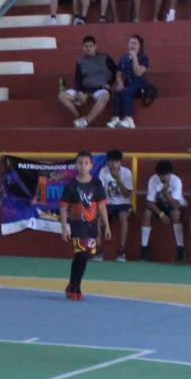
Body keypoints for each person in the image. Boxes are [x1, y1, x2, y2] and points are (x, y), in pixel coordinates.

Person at [59, 150, 109, 299]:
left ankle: (72, 284)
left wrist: (106, 225)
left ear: (91, 166)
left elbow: (101, 206)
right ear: (75, 165)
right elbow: (63, 208)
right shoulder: (71, 185)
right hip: (77, 225)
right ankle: (76, 286)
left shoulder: (96, 183)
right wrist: (64, 228)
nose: (83, 166)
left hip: (91, 225)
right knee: (80, 253)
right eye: (80, 163)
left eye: (86, 163)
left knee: (85, 255)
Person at [59, 35, 118, 128]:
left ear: (95, 47)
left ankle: (87, 120)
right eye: (86, 46)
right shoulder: (80, 61)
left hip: (100, 89)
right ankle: (79, 117)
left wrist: (110, 83)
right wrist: (79, 92)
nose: (88, 48)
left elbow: (116, 71)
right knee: (62, 96)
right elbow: (78, 79)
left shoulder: (105, 58)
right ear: (83, 48)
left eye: (91, 46)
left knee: (105, 96)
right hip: (84, 89)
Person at [140, 159, 186, 261]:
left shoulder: (176, 181)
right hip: (160, 205)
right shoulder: (153, 180)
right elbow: (149, 202)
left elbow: (174, 204)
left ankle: (180, 249)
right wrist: (161, 214)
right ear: (158, 175)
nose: (165, 178)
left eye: (167, 175)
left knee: (175, 214)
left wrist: (165, 191)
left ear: (170, 174)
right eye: (162, 175)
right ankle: (144, 250)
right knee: (147, 213)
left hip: (176, 204)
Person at [100, 149, 135, 261]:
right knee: (96, 216)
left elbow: (126, 195)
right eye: (111, 161)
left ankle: (121, 250)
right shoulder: (103, 171)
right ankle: (98, 249)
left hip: (123, 204)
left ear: (120, 162)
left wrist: (118, 179)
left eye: (116, 161)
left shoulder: (126, 172)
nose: (113, 164)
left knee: (123, 216)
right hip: (108, 204)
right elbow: (100, 192)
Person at [108, 33, 149, 129]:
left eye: (135, 43)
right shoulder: (124, 58)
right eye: (130, 43)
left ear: (140, 46)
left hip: (139, 84)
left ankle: (129, 119)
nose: (132, 45)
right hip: (127, 83)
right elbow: (118, 73)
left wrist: (134, 57)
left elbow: (138, 72)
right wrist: (120, 83)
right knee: (117, 91)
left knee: (127, 91)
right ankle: (115, 118)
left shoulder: (143, 58)